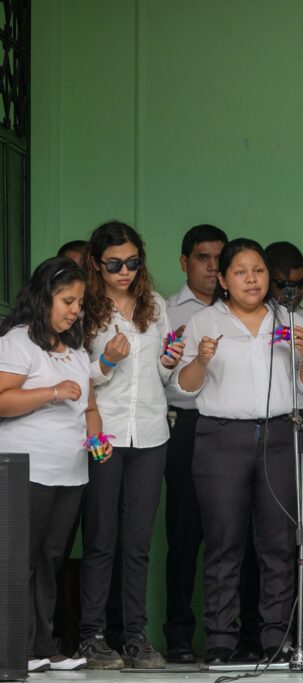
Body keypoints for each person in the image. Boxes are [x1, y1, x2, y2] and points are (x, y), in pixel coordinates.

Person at [173, 238, 303, 664]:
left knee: (279, 542)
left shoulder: (290, 320)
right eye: (240, 272)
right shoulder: (203, 321)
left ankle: (276, 638)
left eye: (258, 271)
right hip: (221, 440)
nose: (252, 279)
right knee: (224, 542)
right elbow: (184, 388)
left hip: (280, 436)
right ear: (223, 279)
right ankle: (221, 640)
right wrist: (201, 361)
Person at [76, 222, 184, 670]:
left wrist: (168, 362)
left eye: (133, 262)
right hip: (104, 433)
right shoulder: (85, 308)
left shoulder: (154, 305)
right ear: (96, 264)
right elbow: (74, 375)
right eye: (114, 264)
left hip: (151, 433)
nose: (125, 271)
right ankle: (92, 636)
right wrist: (106, 361)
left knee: (138, 541)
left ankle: (135, 636)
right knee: (101, 538)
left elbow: (162, 375)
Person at [0, 257, 106, 674]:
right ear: (44, 297)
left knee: (51, 560)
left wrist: (96, 440)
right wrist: (52, 392)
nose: (75, 310)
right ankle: (16, 649)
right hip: (28, 469)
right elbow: (2, 400)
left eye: (79, 302)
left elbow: (90, 407)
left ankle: (43, 646)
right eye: (67, 301)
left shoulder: (75, 350)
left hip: (71, 472)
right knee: (21, 559)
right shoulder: (17, 342)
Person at [162, 223, 229, 663]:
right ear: (185, 262)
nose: (212, 267)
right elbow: (162, 378)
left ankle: (233, 635)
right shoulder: (167, 313)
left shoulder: (240, 309)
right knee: (185, 536)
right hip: (185, 426)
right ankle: (180, 636)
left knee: (232, 534)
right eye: (203, 258)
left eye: (219, 259)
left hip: (231, 428)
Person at [266, 241, 303, 326]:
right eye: (286, 284)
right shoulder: (249, 317)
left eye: (301, 282)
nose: (295, 291)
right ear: (266, 281)